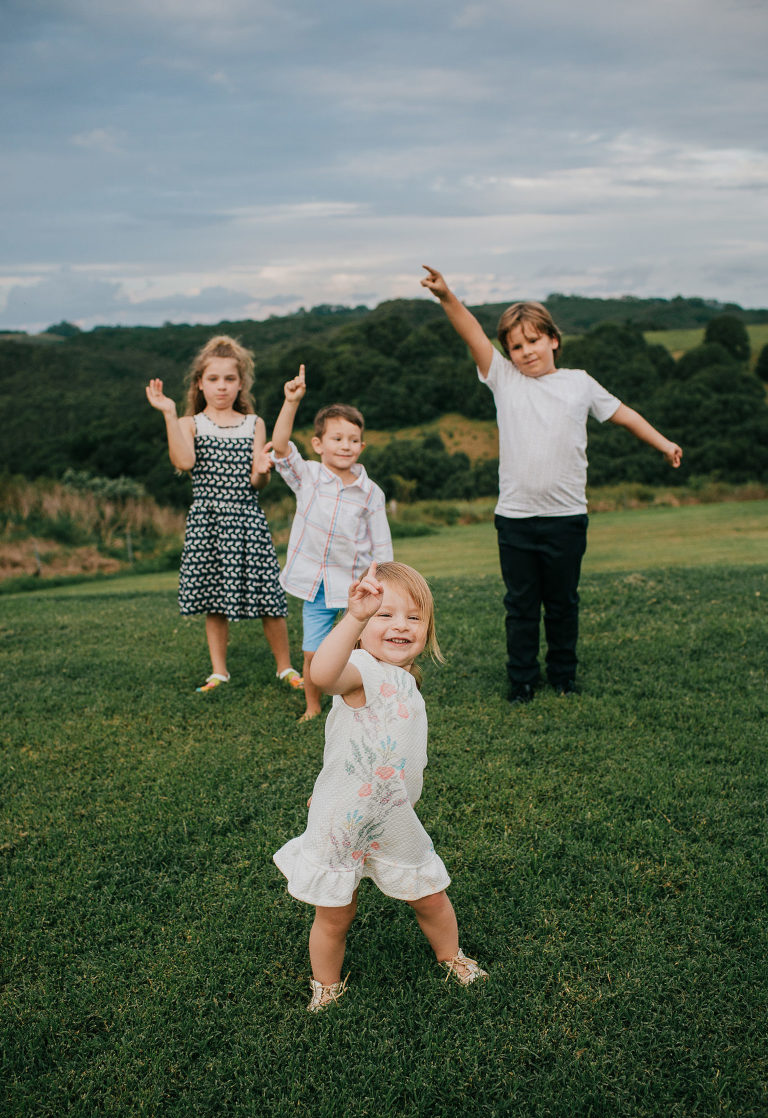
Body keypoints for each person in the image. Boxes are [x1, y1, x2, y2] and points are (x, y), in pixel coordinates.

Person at [420, 265, 683, 703]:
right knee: (520, 606)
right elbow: (472, 335)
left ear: (554, 339)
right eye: (516, 346)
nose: (525, 352)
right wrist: (446, 295)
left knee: (562, 604)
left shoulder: (579, 384)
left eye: (534, 341)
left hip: (566, 519)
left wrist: (664, 443)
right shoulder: (504, 381)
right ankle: (521, 679)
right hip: (516, 521)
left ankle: (563, 676)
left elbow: (626, 415)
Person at [273, 560, 488, 1011]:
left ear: (428, 630)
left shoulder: (406, 678)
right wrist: (352, 616)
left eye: (413, 617)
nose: (400, 626)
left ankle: (452, 957)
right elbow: (322, 676)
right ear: (361, 629)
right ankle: (326, 985)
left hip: (394, 817)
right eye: (383, 615)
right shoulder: (359, 671)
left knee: (430, 896)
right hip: (343, 819)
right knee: (336, 913)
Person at [146, 335, 303, 694]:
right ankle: (219, 672)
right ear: (199, 383)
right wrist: (170, 414)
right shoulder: (190, 423)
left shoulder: (254, 424)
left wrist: (264, 469)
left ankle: (286, 667)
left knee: (269, 596)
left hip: (247, 518)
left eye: (229, 379)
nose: (221, 387)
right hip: (208, 521)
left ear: (241, 383)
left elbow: (257, 481)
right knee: (212, 599)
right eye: (213, 379)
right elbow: (184, 462)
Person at [270, 367, 393, 721]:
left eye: (353, 439)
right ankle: (312, 705)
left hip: (357, 586)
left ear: (362, 446)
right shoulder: (307, 476)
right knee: (313, 651)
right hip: (316, 586)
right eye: (337, 438)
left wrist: (384, 584)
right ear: (319, 444)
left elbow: (381, 546)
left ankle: (365, 699)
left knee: (362, 649)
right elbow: (279, 447)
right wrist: (291, 401)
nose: (346, 446)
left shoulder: (371, 493)